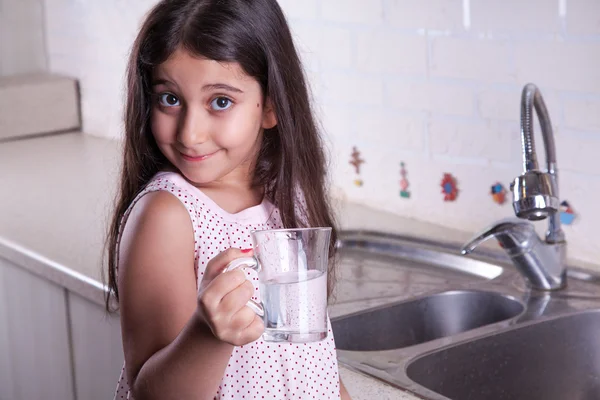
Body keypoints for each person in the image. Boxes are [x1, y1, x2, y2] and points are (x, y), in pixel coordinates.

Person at [105, 0, 351, 398]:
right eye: (169, 99)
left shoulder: (289, 197)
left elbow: (312, 359)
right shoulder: (167, 215)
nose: (190, 134)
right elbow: (152, 393)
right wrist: (208, 333)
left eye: (220, 101)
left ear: (270, 105)